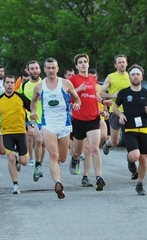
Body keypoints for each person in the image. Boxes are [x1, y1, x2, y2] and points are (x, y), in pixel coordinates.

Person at [30, 57, 81, 199]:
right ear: (44, 69)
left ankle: (59, 170)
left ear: (57, 69)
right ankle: (58, 183)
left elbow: (77, 99)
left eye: (53, 68)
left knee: (63, 158)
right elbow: (33, 102)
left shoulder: (66, 83)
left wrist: (77, 104)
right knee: (53, 154)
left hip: (64, 124)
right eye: (48, 68)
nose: (51, 70)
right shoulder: (39, 86)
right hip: (48, 124)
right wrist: (33, 112)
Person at [69, 54, 112, 191]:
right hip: (78, 119)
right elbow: (66, 95)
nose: (83, 64)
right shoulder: (73, 79)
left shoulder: (93, 79)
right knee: (78, 151)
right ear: (76, 66)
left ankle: (99, 177)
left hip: (93, 119)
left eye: (85, 62)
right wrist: (78, 90)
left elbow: (94, 95)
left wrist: (103, 102)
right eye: (80, 62)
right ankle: (75, 159)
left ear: (88, 64)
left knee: (94, 148)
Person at [113, 64, 147, 195]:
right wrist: (120, 115)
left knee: (143, 159)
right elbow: (115, 107)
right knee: (134, 156)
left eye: (138, 74)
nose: (135, 76)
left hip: (144, 129)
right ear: (129, 77)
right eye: (133, 74)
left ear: (142, 77)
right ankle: (130, 159)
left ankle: (140, 184)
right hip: (129, 129)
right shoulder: (124, 93)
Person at [0, 75, 31, 194]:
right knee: (11, 157)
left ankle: (19, 160)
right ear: (3, 84)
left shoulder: (21, 98)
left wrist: (32, 123)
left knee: (24, 162)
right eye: (7, 82)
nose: (9, 84)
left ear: (14, 85)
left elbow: (31, 110)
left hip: (20, 132)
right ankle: (15, 185)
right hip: (6, 132)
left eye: (11, 82)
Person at [80, 69, 109, 186]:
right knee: (87, 150)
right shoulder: (81, 87)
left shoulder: (98, 88)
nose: (92, 79)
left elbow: (103, 103)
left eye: (94, 77)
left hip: (98, 118)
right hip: (84, 119)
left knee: (102, 137)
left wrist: (105, 112)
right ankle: (85, 177)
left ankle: (98, 175)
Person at [99, 54, 131, 155]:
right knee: (115, 141)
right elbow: (100, 93)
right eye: (119, 62)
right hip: (115, 110)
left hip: (129, 110)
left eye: (123, 62)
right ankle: (107, 144)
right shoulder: (111, 77)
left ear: (126, 63)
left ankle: (131, 156)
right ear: (115, 65)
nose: (121, 64)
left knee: (132, 136)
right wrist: (114, 95)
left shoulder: (131, 76)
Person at [20, 60, 45, 181]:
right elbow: (17, 101)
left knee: (43, 144)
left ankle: (38, 165)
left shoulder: (45, 83)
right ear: (28, 71)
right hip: (31, 118)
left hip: (46, 118)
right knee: (38, 139)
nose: (35, 71)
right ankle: (38, 165)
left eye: (36, 68)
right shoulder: (24, 86)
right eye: (32, 68)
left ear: (40, 70)